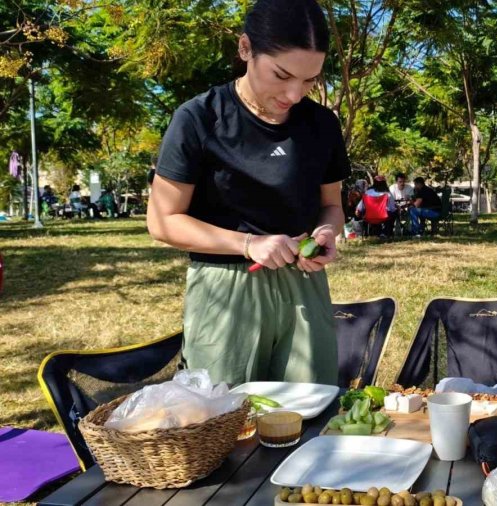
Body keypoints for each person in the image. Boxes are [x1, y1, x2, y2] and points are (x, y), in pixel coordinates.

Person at [147, 0, 348, 386]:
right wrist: (249, 243)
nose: (294, 93)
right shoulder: (199, 118)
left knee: (310, 410)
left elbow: (331, 206)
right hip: (226, 288)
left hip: (303, 288)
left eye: (310, 81)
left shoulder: (321, 124)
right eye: (281, 74)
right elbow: (162, 220)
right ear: (245, 49)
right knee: (225, 419)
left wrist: (325, 234)